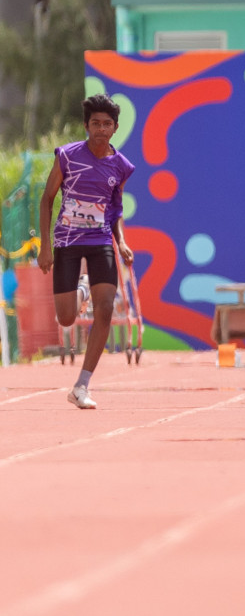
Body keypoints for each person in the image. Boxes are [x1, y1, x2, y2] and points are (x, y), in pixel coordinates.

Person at [37, 95, 135, 410]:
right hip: (67, 240)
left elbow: (115, 209)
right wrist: (44, 246)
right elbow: (46, 199)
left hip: (100, 240)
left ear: (115, 128)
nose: (101, 129)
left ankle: (82, 385)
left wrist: (120, 241)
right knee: (66, 318)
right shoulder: (67, 157)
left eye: (107, 124)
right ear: (86, 125)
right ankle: (82, 287)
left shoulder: (120, 166)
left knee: (105, 307)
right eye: (95, 123)